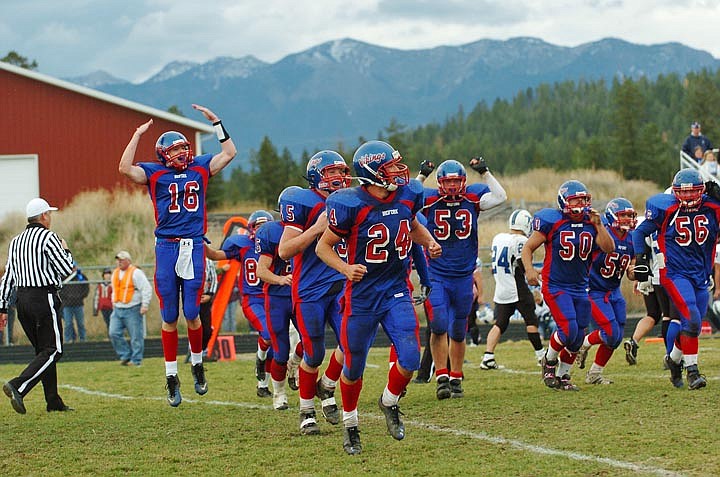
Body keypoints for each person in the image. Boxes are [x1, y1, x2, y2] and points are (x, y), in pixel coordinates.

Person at [316, 140, 442, 455]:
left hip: (396, 289)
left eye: (398, 164)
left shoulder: (408, 195)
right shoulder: (350, 204)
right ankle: (350, 425)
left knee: (410, 358)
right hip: (361, 295)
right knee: (353, 367)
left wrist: (429, 241)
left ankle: (389, 401)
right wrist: (345, 268)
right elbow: (322, 247)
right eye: (391, 166)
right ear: (373, 172)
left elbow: (412, 226)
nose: (399, 170)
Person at [119, 103, 237, 407]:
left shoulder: (201, 167)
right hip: (167, 247)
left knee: (193, 312)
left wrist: (216, 122)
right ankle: (171, 376)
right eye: (175, 150)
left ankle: (197, 364)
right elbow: (125, 168)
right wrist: (136, 136)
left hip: (194, 245)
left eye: (184, 148)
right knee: (170, 315)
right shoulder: (154, 172)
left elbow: (229, 152)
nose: (182, 153)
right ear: (162, 154)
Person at [278, 151, 352, 434]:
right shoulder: (303, 201)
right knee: (314, 352)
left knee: (351, 342)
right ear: (316, 176)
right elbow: (285, 250)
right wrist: (316, 229)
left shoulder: (349, 200)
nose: (339, 177)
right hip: (310, 289)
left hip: (340, 283)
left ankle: (327, 385)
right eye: (332, 172)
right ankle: (306, 410)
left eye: (342, 172)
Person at [422, 157, 507, 399]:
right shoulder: (429, 199)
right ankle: (441, 376)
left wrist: (485, 172)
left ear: (463, 181)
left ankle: (456, 377)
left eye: (456, 181)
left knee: (459, 330)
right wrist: (421, 176)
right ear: (439, 182)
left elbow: (501, 197)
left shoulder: (471, 197)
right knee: (439, 324)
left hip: (463, 275)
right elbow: (405, 200)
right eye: (448, 182)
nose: (452, 186)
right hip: (437, 274)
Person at [521, 180, 615, 391]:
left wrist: (599, 225)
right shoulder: (552, 220)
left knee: (578, 336)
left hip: (580, 286)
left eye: (583, 200)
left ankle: (563, 376)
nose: (580, 204)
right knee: (568, 329)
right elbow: (528, 248)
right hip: (556, 285)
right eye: (575, 200)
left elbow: (609, 248)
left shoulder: (592, 222)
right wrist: (529, 270)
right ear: (564, 202)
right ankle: (549, 360)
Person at [633, 168, 720, 390]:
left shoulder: (712, 207)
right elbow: (639, 232)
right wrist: (641, 259)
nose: (688, 196)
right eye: (683, 192)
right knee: (690, 316)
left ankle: (673, 360)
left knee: (694, 325)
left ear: (702, 190)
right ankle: (692, 371)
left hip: (701, 274)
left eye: (693, 191)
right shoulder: (666, 208)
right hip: (674, 273)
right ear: (675, 191)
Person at [0, 197, 75, 414]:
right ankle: (18, 386)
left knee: (43, 351)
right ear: (44, 216)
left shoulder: (16, 241)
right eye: (49, 213)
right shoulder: (48, 237)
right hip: (43, 297)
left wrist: (2, 307)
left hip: (22, 301)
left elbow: (8, 277)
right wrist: (66, 250)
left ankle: (53, 401)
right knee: (54, 350)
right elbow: (66, 268)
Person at [205, 210, 277, 397]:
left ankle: (262, 385)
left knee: (277, 343)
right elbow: (216, 255)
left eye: (265, 226)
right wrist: (200, 243)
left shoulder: (278, 244)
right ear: (251, 229)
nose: (262, 230)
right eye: (258, 226)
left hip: (274, 299)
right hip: (252, 299)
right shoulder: (242, 245)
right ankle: (260, 360)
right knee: (269, 335)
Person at [575, 198, 637, 384]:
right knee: (610, 332)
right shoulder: (602, 233)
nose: (627, 219)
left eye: (629, 215)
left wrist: (636, 273)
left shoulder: (632, 238)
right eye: (623, 215)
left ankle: (594, 374)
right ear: (611, 216)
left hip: (614, 290)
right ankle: (584, 343)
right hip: (594, 289)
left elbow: (631, 271)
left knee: (616, 338)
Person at [483, 209, 545, 370]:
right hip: (516, 287)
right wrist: (537, 273)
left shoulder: (499, 238)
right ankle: (541, 356)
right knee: (531, 320)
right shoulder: (520, 240)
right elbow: (524, 266)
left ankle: (488, 356)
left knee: (500, 323)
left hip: (501, 288)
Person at [623, 216, 671, 365]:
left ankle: (634, 340)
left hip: (647, 274)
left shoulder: (645, 224)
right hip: (664, 273)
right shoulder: (669, 221)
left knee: (653, 314)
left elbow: (639, 255)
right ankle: (671, 355)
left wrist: (639, 278)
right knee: (670, 316)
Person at [109, 251, 152, 367]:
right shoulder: (115, 273)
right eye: (118, 260)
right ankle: (125, 355)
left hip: (133, 308)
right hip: (118, 308)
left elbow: (146, 288)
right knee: (113, 332)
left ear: (129, 261)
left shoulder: (136, 273)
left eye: (122, 260)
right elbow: (114, 290)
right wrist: (113, 302)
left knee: (136, 336)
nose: (119, 262)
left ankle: (136, 360)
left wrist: (145, 304)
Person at [59, 264, 89, 342]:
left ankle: (83, 339)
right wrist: (67, 297)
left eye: (74, 267)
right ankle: (68, 340)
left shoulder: (80, 276)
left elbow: (86, 287)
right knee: (68, 324)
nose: (72, 269)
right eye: (71, 267)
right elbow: (60, 290)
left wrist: (80, 296)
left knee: (80, 324)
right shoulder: (64, 277)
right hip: (67, 305)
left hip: (79, 304)